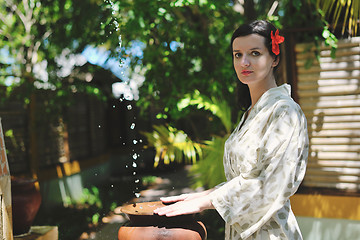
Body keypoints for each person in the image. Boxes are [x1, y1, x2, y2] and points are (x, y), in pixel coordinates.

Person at [154, 20, 309, 240]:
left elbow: (271, 183)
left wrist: (206, 202)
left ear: (274, 58)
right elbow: (245, 178)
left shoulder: (285, 112)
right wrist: (200, 197)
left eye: (255, 53)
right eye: (238, 54)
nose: (244, 62)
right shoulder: (251, 113)